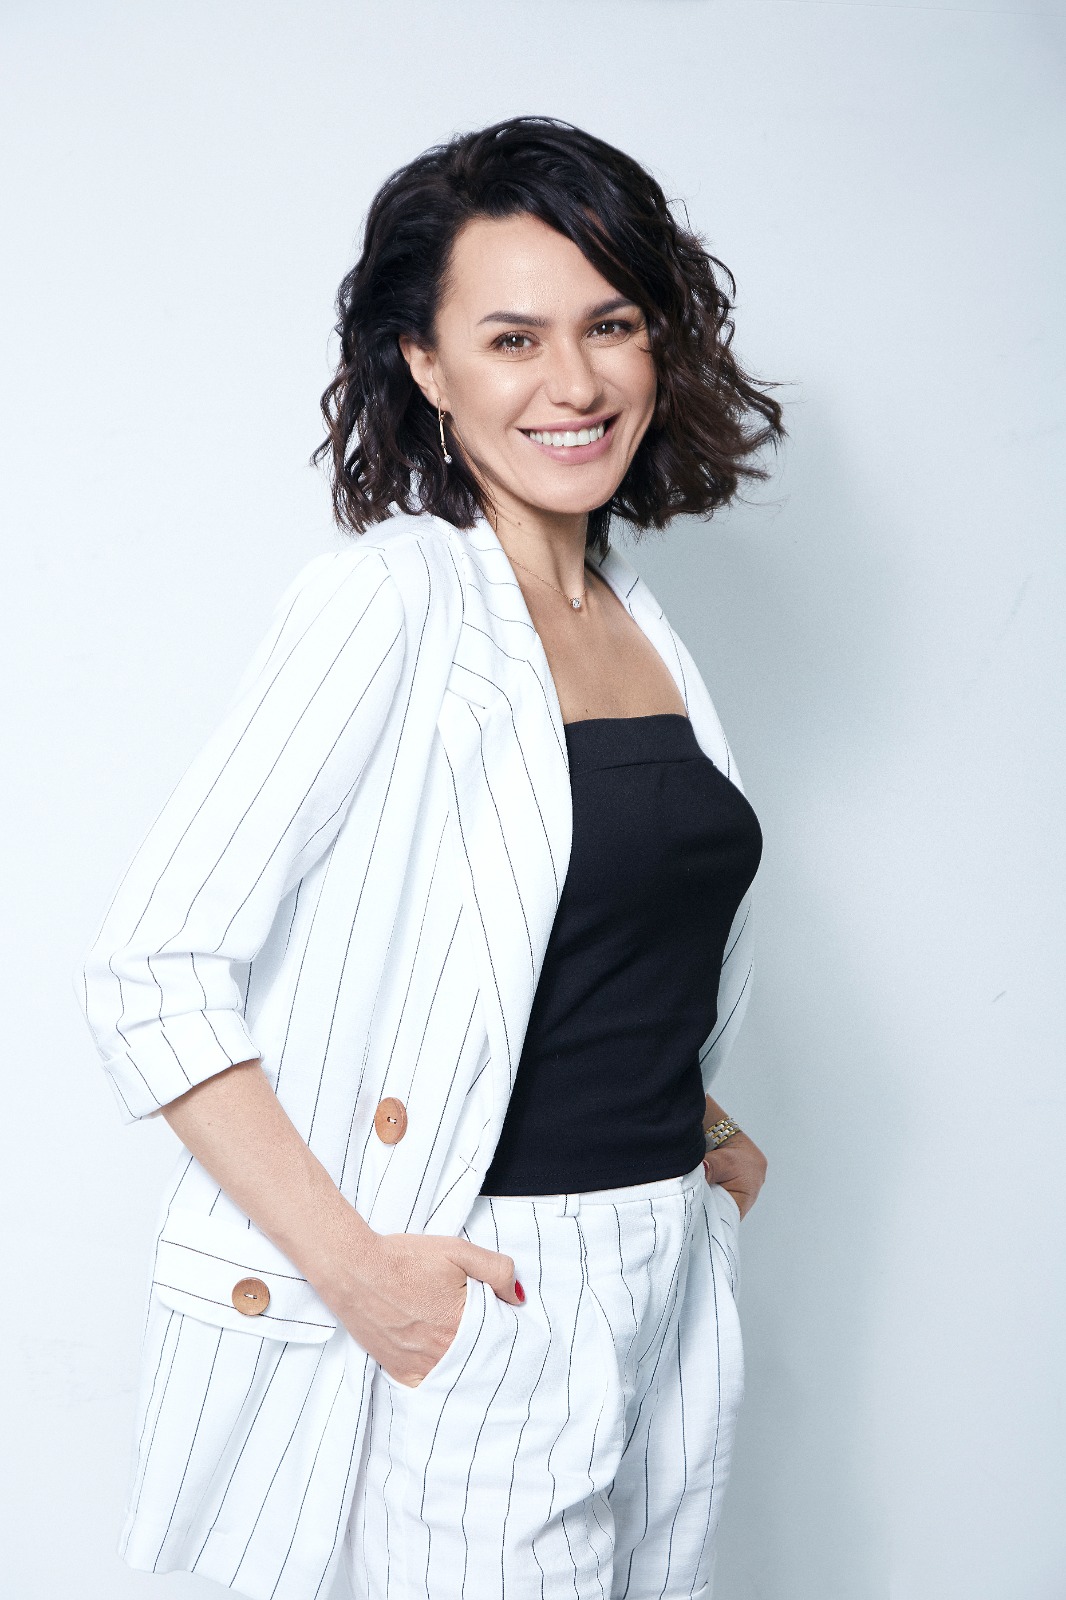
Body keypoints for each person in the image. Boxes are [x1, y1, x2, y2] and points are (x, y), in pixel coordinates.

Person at [74, 115, 784, 1600]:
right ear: (426, 365)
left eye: (610, 325)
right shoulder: (393, 604)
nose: (574, 383)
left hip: (665, 1263)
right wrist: (365, 1277)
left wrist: (696, 1128)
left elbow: (580, 938)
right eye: (512, 339)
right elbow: (153, 972)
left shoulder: (639, 624)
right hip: (490, 1285)